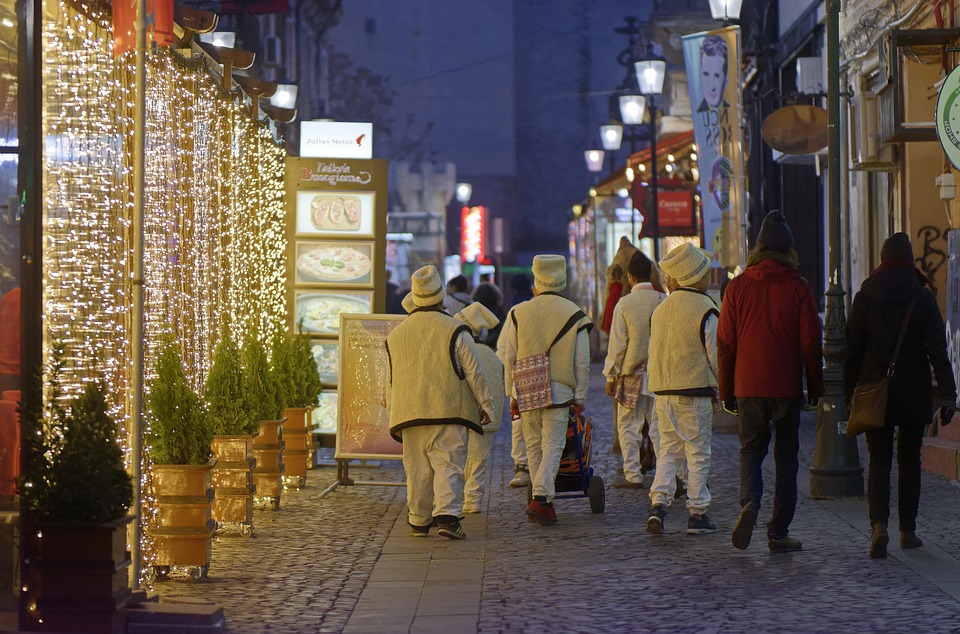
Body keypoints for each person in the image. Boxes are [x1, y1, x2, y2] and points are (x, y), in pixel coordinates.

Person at [844, 232, 957, 559]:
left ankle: (878, 525)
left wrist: (851, 392)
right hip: (912, 393)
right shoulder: (920, 297)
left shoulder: (866, 295)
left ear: (882, 259)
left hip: (875, 392)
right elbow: (939, 349)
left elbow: (852, 352)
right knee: (910, 461)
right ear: (910, 261)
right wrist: (948, 395)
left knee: (879, 460)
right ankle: (908, 531)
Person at [717, 210, 824, 553]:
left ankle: (750, 501)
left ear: (757, 248)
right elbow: (810, 341)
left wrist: (726, 390)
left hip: (748, 385)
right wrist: (815, 389)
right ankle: (778, 531)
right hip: (786, 386)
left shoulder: (737, 287)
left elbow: (725, 342)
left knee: (751, 450)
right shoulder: (799, 287)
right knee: (787, 458)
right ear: (789, 249)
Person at [385, 265, 496, 540]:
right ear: (440, 298)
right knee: (448, 464)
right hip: (449, 409)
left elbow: (389, 380)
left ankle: (418, 521)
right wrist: (486, 405)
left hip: (408, 412)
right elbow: (475, 372)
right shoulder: (456, 329)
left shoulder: (396, 334)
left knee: (417, 469)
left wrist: (392, 409)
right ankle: (447, 516)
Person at [499, 254, 592, 525]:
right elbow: (582, 361)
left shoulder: (518, 312)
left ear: (535, 284)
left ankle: (545, 502)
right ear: (563, 282)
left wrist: (512, 394)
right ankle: (541, 498)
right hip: (561, 389)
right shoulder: (575, 315)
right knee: (554, 443)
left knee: (534, 445)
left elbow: (509, 357)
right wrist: (581, 395)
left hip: (527, 388)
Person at [646, 242, 719, 536]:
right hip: (694, 392)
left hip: (663, 394)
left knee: (669, 453)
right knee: (698, 452)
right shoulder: (706, 308)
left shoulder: (661, 310)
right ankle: (697, 513)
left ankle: (658, 506)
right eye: (706, 273)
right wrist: (725, 387)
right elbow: (715, 354)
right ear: (696, 277)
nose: (709, 278)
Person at [603, 252, 664, 489]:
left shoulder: (624, 304)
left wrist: (611, 375)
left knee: (628, 424)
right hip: (660, 375)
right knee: (659, 426)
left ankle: (633, 474)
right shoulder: (663, 299)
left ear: (630, 276)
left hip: (631, 374)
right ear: (650, 274)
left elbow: (618, 344)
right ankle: (667, 475)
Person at [455, 302, 505, 514]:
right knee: (478, 459)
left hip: (461, 413)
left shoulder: (459, 351)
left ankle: (454, 500)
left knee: (457, 457)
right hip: (488, 416)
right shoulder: (491, 355)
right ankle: (473, 500)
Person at [697, 34, 729, 113]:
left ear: (725, 80)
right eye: (706, 74)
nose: (712, 86)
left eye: (717, 75)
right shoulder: (697, 116)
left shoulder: (733, 112)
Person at [472, 280, 505, 349]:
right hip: (494, 348)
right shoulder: (498, 310)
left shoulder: (473, 310)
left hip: (476, 348)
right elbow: (502, 330)